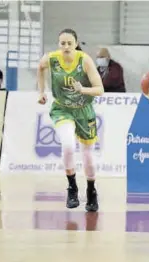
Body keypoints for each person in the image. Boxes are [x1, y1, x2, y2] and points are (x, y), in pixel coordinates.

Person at [36, 28, 104, 212]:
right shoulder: (51, 58)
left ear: (76, 44)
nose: (66, 46)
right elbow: (40, 67)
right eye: (62, 43)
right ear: (59, 44)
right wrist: (41, 92)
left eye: (69, 43)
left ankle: (91, 191)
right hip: (62, 109)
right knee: (67, 145)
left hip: (83, 110)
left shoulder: (85, 60)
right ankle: (72, 188)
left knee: (87, 155)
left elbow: (99, 89)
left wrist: (83, 90)